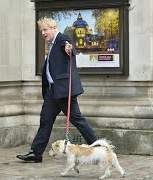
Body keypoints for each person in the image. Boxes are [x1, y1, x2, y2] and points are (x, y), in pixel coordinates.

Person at [16, 17, 97, 163]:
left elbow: (69, 45)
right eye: (41, 31)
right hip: (52, 93)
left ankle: (99, 148)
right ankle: (36, 153)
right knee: (45, 121)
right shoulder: (51, 44)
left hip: (64, 91)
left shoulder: (61, 39)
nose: (43, 33)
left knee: (78, 120)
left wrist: (69, 48)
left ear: (54, 28)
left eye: (46, 30)